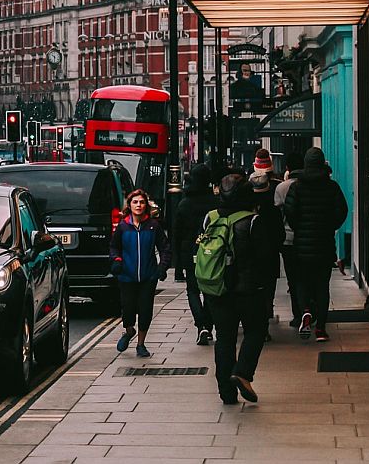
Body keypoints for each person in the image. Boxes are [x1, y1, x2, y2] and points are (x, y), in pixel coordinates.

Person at [203, 174, 275, 404]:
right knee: (256, 330)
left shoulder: (210, 218)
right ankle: (242, 372)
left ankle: (226, 392)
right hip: (248, 290)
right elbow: (265, 257)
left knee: (224, 338)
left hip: (217, 288)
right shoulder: (252, 221)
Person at [284, 147, 348, 342]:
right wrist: (329, 226)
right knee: (322, 285)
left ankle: (305, 311)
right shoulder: (332, 187)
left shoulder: (296, 187)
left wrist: (299, 228)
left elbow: (290, 212)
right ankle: (320, 328)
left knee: (302, 282)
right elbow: (341, 211)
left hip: (301, 246)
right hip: (324, 244)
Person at [110, 189, 171, 358]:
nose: (139, 205)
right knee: (128, 309)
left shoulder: (153, 226)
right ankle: (129, 331)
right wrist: (116, 261)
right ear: (129, 205)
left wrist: (162, 267)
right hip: (127, 276)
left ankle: (141, 344)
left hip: (148, 276)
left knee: (145, 310)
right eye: (135, 202)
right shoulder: (123, 227)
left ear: (146, 205)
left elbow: (165, 248)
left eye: (142, 202)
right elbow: (114, 247)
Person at [174, 163, 218, 345]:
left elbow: (176, 234)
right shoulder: (215, 202)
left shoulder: (184, 203)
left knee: (192, 290)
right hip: (210, 251)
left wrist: (177, 266)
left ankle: (201, 325)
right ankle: (207, 324)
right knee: (209, 289)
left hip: (188, 252)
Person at [248, 171, 286, 333]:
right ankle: (267, 310)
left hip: (251, 256)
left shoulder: (247, 207)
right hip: (270, 254)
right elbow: (280, 233)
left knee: (253, 288)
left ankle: (257, 321)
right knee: (268, 286)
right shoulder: (273, 208)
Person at [274, 152, 305, 327]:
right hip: (310, 237)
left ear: (287, 168)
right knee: (310, 276)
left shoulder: (281, 188)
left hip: (288, 239)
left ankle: (298, 313)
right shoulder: (310, 185)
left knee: (293, 279)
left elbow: (278, 215)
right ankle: (311, 309)